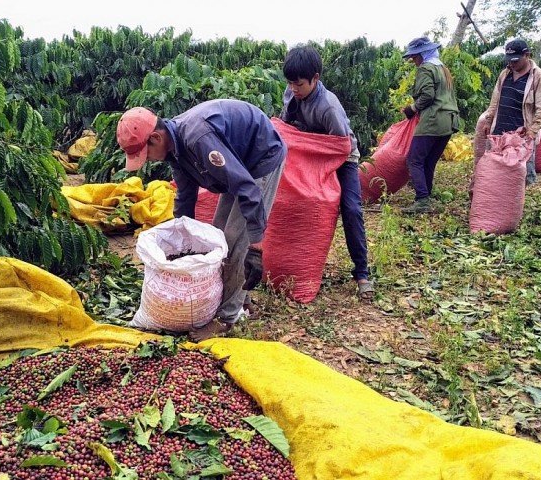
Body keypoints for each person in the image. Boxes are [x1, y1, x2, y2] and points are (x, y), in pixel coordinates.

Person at [116, 100, 287, 342]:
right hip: (236, 161)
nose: (149, 160)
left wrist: (256, 247)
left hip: (261, 158)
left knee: (237, 243)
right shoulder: (175, 152)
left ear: (155, 138)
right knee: (218, 239)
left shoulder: (198, 139)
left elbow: (247, 188)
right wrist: (182, 242)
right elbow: (185, 198)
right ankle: (244, 300)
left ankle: (226, 319)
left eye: (146, 154)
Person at [279, 45, 374, 300]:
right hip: (309, 154)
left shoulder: (328, 107)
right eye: (290, 84)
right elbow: (285, 127)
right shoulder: (291, 94)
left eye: (299, 84)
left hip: (342, 159)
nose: (294, 89)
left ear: (316, 78)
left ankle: (362, 273)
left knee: (351, 209)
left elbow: (340, 146)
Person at [399, 37, 460, 215]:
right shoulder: (442, 68)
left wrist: (412, 108)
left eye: (415, 57)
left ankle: (422, 200)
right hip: (448, 121)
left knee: (414, 160)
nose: (413, 61)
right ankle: (426, 196)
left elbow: (427, 95)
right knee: (428, 161)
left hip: (434, 120)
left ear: (422, 54)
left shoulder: (426, 68)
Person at [478, 39, 541, 186]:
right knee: (495, 170)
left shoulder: (538, 77)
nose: (511, 64)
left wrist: (533, 131)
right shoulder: (505, 74)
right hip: (499, 130)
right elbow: (495, 99)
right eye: (509, 60)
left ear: (527, 55)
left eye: (515, 61)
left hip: (521, 134)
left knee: (522, 175)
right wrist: (489, 120)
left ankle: (519, 201)